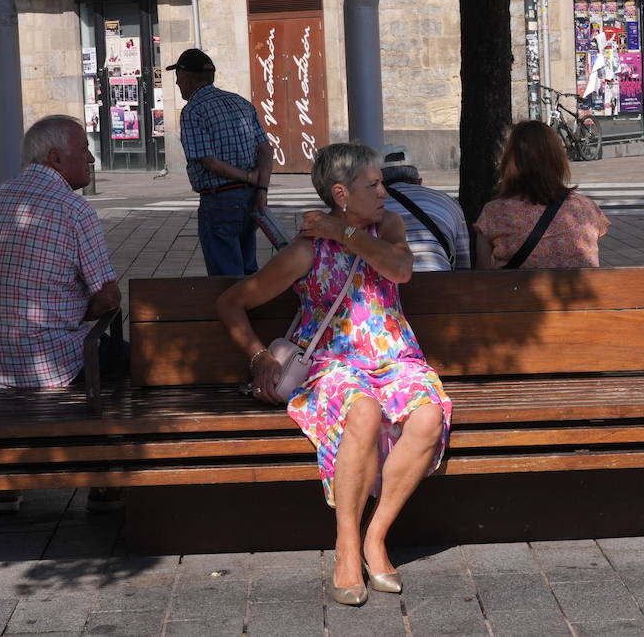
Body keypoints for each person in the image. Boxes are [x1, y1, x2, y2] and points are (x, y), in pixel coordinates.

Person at [216, 143, 452, 607]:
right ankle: (347, 543)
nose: (385, 192)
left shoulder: (387, 228)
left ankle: (375, 536)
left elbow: (401, 269)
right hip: (332, 363)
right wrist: (259, 356)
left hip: (396, 359)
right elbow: (231, 302)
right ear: (342, 193)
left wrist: (343, 231)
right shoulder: (306, 251)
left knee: (428, 417)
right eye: (374, 184)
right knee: (360, 411)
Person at [0, 115, 124, 513]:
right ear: (55, 158)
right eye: (83, 149)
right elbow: (108, 299)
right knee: (130, 365)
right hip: (48, 361)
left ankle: (5, 484)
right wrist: (71, 312)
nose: (90, 158)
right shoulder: (74, 210)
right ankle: (103, 477)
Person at [170, 48, 273, 276]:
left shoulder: (193, 111)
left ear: (187, 78)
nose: (177, 85)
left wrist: (247, 177)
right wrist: (261, 189)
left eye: (177, 78)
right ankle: (252, 310)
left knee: (225, 276)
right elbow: (266, 149)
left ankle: (233, 310)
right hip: (250, 197)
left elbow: (208, 161)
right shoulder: (241, 103)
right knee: (248, 269)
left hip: (220, 200)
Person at [473, 120, 609, 269]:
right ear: (557, 160)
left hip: (517, 292)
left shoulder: (494, 213)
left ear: (510, 161)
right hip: (579, 291)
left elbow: (482, 278)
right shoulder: (585, 208)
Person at [378, 143, 471, 271]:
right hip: (440, 283)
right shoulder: (449, 202)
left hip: (390, 285)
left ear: (379, 183)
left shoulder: (375, 206)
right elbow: (463, 266)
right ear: (419, 182)